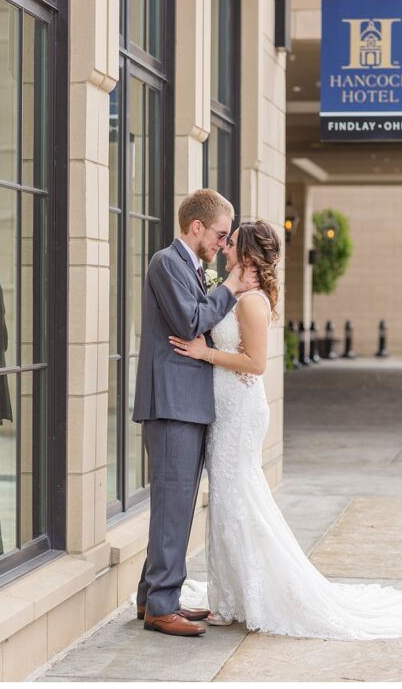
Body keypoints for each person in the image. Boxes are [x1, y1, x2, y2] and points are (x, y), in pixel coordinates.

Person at [169, 220, 402, 639]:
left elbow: (255, 364)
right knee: (232, 503)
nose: (225, 246)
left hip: (239, 414)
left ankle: (247, 596)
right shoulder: (236, 293)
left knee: (237, 501)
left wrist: (206, 352)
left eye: (232, 242)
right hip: (226, 411)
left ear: (247, 252)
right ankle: (229, 595)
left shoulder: (251, 302)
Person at [131, 189, 259, 637]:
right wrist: (228, 288)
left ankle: (154, 597)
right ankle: (161, 607)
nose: (223, 245)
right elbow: (189, 320)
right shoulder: (167, 262)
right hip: (171, 404)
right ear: (196, 227)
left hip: (185, 403)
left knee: (177, 506)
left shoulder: (188, 265)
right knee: (172, 507)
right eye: (221, 235)